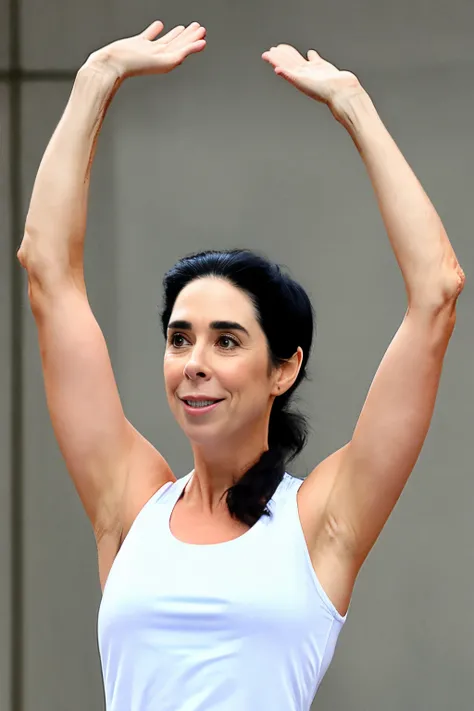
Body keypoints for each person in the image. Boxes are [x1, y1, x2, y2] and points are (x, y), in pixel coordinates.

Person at [17, 19, 465, 711]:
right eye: (179, 338)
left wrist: (352, 104)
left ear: (283, 368)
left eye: (227, 340)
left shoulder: (321, 519)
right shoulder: (129, 502)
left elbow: (436, 292)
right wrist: (96, 77)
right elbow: (47, 271)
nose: (194, 362)